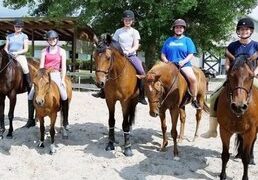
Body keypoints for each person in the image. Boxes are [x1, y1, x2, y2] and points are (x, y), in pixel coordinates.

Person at [201, 17, 258, 138]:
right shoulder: (232, 46)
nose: (244, 31)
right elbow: (227, 62)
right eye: (241, 29)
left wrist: (254, 73)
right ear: (238, 31)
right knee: (214, 96)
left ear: (251, 31)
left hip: (251, 78)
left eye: (246, 29)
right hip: (234, 78)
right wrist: (228, 70)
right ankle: (212, 129)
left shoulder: (256, 46)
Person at [92, 10, 148, 105]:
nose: (127, 21)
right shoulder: (118, 31)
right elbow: (113, 44)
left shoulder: (135, 32)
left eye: (129, 20)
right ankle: (102, 91)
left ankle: (141, 95)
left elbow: (136, 45)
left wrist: (129, 51)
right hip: (119, 56)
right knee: (107, 68)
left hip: (131, 55)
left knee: (142, 71)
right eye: (126, 19)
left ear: (132, 21)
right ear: (123, 20)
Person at [27, 30, 69, 128]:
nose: (52, 40)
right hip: (45, 75)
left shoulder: (62, 51)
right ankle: (32, 119)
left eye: (53, 39)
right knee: (31, 95)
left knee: (64, 95)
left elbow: (64, 67)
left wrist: (62, 79)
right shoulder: (44, 51)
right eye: (50, 39)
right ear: (48, 41)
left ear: (57, 39)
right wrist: (39, 77)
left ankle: (65, 121)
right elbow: (41, 66)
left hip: (56, 74)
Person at [161, 19, 200, 109]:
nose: (179, 29)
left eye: (181, 27)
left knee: (193, 79)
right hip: (170, 65)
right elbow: (163, 54)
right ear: (174, 29)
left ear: (184, 29)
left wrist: (184, 61)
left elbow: (191, 54)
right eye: (177, 27)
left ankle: (194, 99)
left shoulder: (187, 40)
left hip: (183, 64)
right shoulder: (168, 40)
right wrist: (165, 60)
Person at [4, 18, 34, 127]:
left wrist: (17, 53)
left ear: (21, 28)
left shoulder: (24, 36)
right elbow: (6, 48)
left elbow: (26, 49)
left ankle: (28, 83)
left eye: (20, 26)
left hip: (20, 55)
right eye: (17, 26)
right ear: (14, 27)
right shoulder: (9, 36)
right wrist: (8, 53)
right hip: (9, 55)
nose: (18, 28)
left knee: (25, 67)